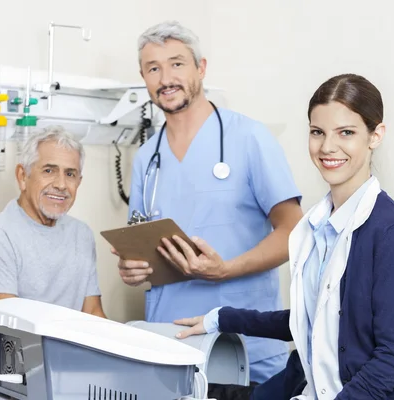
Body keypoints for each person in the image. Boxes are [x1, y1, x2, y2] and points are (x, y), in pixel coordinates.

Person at [174, 74, 394, 399]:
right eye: (317, 132)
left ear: (375, 136)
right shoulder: (317, 226)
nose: (327, 147)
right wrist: (221, 319)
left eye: (346, 132)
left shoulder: (390, 233)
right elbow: (317, 319)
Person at [114, 20, 304, 384]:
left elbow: (293, 230)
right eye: (154, 68)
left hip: (247, 346)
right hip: (170, 346)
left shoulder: (250, 138)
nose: (166, 77)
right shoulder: (146, 158)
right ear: (143, 77)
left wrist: (226, 270)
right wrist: (132, 268)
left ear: (201, 68)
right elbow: (141, 247)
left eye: (177, 63)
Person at [0, 126, 106, 389]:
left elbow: (92, 314)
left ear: (79, 182)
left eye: (70, 174)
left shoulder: (82, 235)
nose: (61, 184)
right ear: (23, 176)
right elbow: (5, 341)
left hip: (56, 362)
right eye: (49, 170)